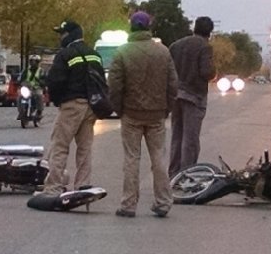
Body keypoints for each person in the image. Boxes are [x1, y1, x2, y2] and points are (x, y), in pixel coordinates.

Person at [109, 11, 178, 218]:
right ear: (149, 27)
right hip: (156, 114)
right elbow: (173, 84)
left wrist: (119, 108)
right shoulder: (163, 52)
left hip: (131, 114)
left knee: (132, 158)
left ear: (131, 26)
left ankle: (128, 204)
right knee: (158, 158)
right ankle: (163, 201)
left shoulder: (122, 52)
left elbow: (114, 86)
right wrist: (166, 108)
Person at [41, 20, 105, 195]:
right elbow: (101, 81)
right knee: (85, 148)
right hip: (90, 106)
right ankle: (83, 184)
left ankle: (53, 186)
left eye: (62, 33)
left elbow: (55, 82)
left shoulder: (65, 55)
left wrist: (57, 100)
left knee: (60, 146)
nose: (61, 37)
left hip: (71, 105)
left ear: (70, 34)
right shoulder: (94, 54)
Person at [168, 16, 216, 177]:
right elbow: (206, 72)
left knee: (177, 136)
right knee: (191, 139)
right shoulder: (205, 47)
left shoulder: (176, 45)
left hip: (176, 95)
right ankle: (187, 173)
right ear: (209, 32)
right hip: (194, 96)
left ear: (194, 28)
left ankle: (173, 172)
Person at [19, 54, 46, 119]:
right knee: (19, 98)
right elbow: (21, 78)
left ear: (38, 62)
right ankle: (21, 112)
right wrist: (20, 83)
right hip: (27, 88)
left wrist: (41, 82)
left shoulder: (41, 71)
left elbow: (45, 80)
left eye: (35, 61)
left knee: (39, 96)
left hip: (37, 88)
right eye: (32, 61)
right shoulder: (25, 70)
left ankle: (39, 111)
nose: (33, 63)